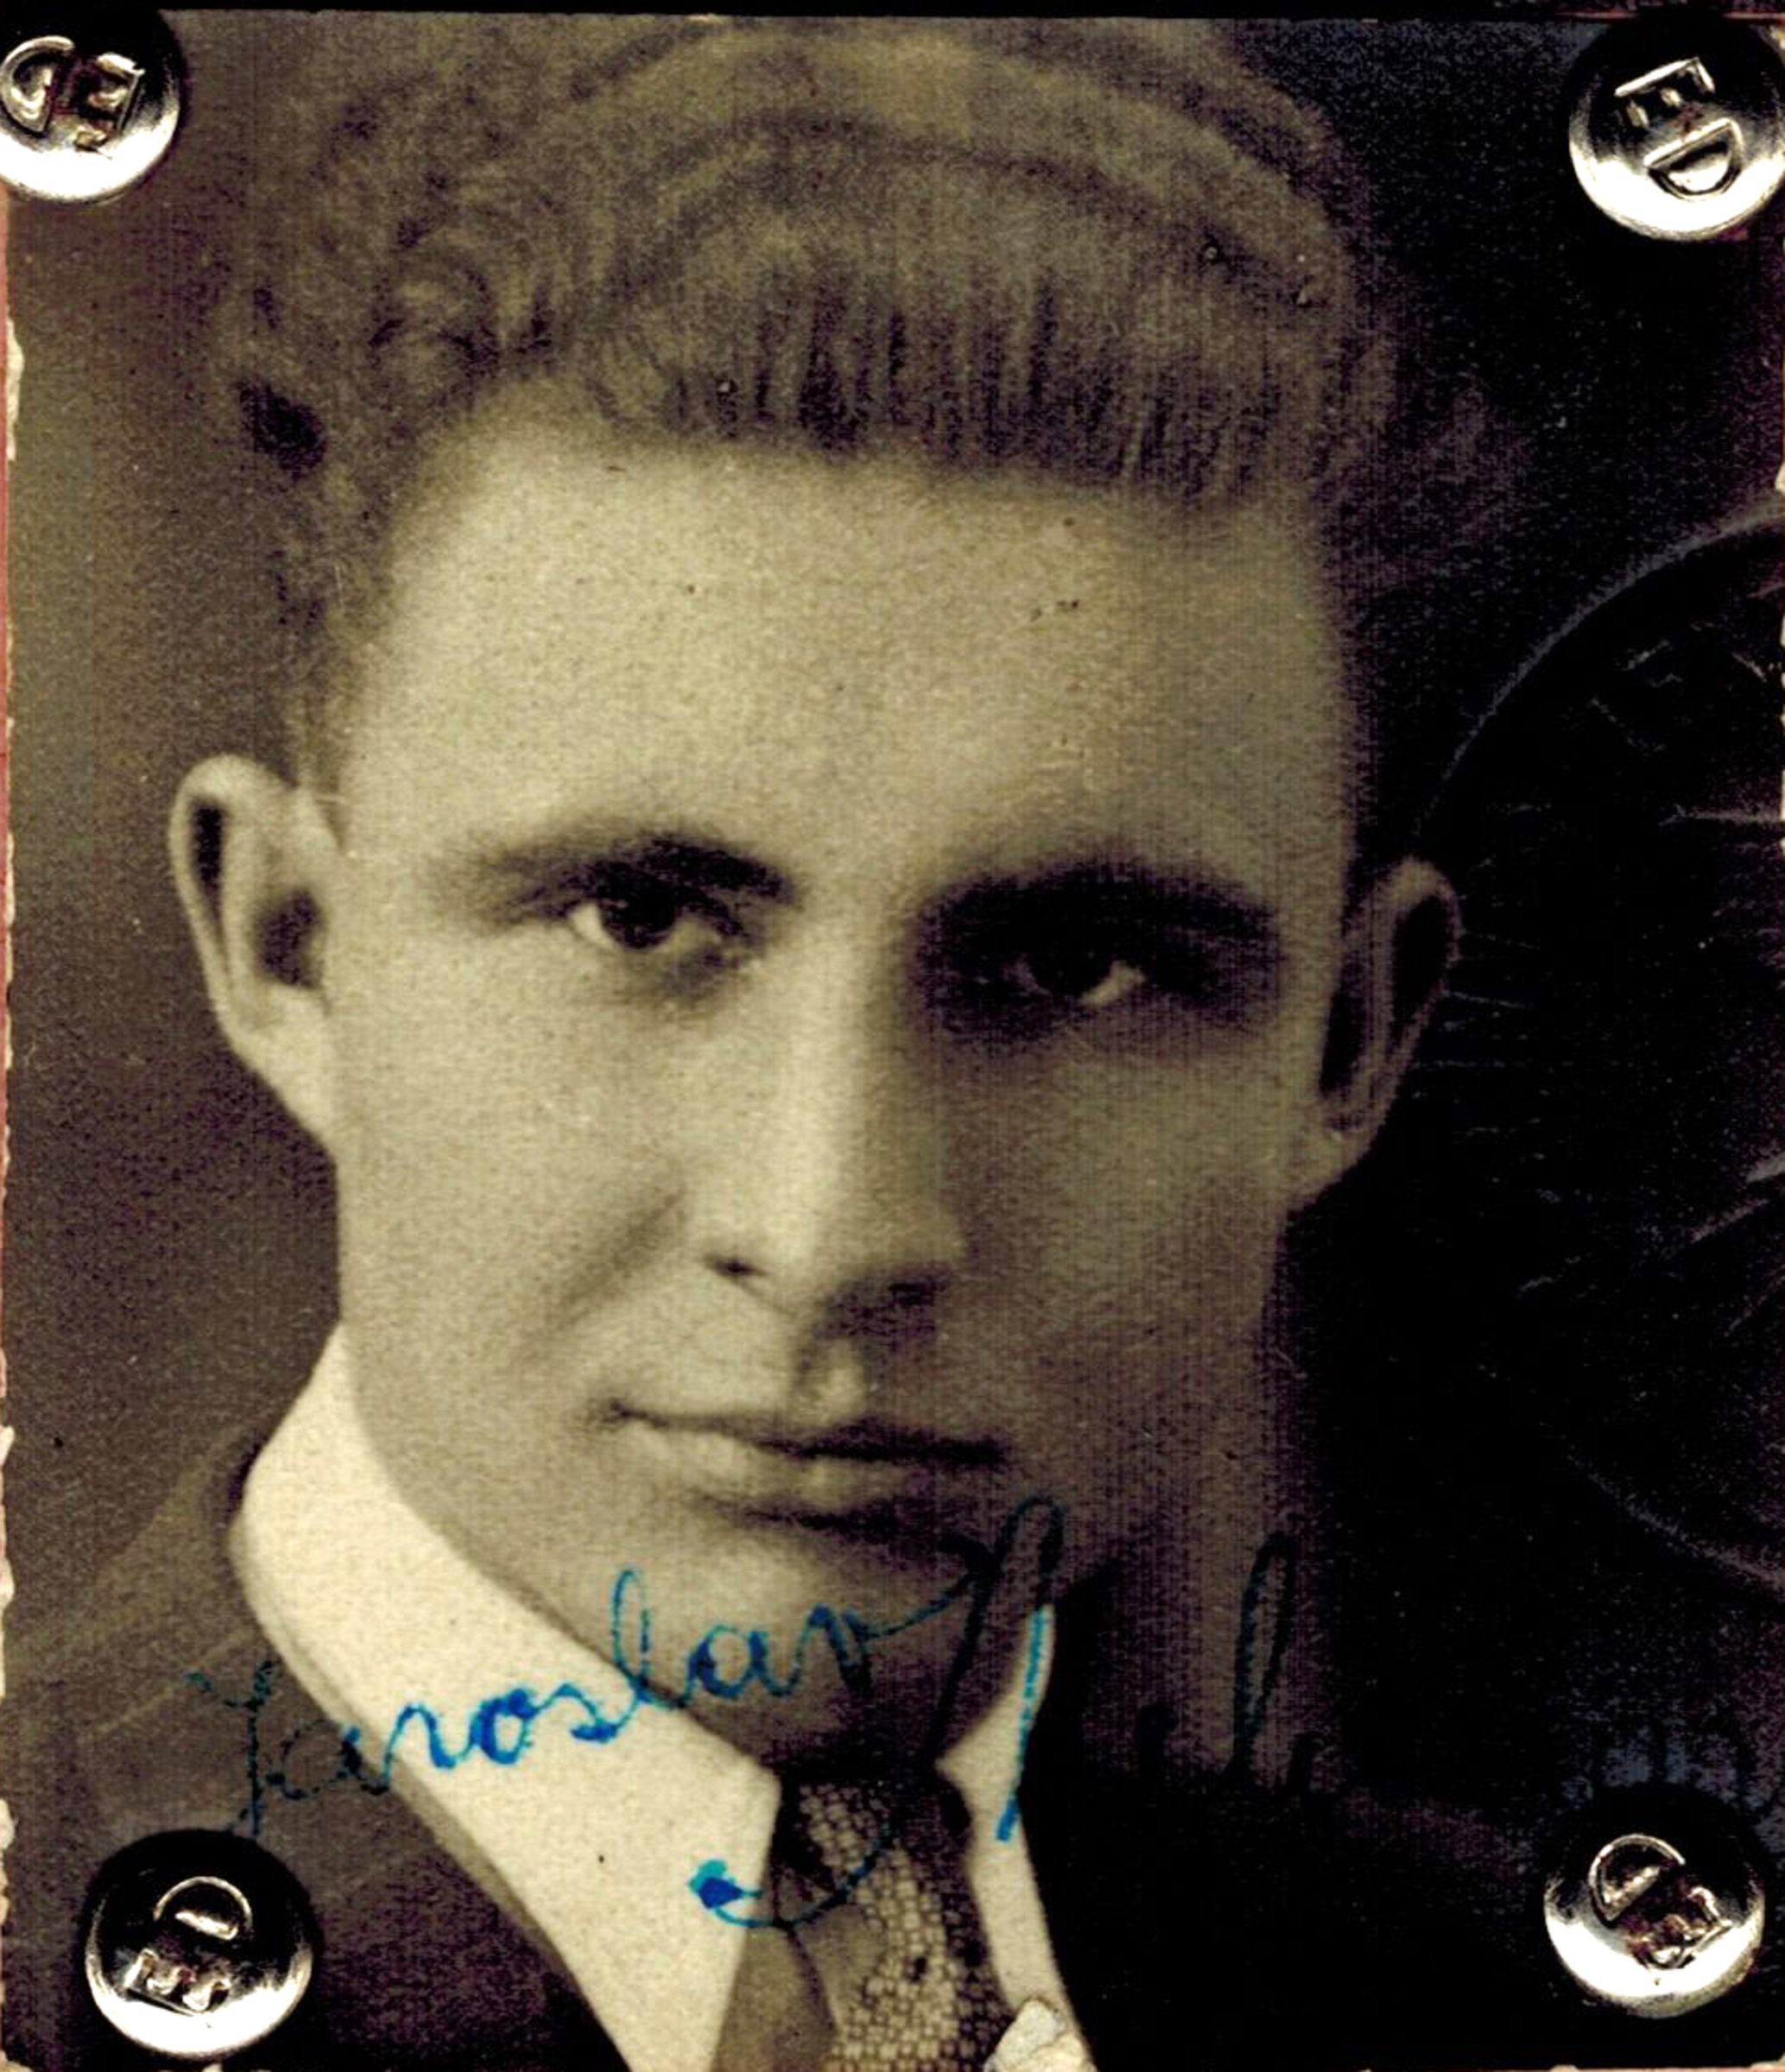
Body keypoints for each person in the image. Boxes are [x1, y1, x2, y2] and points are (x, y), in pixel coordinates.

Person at [8, 18, 1778, 2072]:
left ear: (1347, 1042)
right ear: (288, 949)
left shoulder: (1513, 2006)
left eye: (1079, 967)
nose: (838, 1230)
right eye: (641, 919)